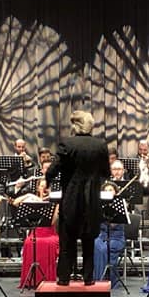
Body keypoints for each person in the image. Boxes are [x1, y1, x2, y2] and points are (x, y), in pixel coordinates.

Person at [46, 110, 110, 285]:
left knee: (67, 244)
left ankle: (64, 279)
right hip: (92, 202)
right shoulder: (100, 145)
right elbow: (106, 173)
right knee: (89, 244)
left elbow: (54, 169)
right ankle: (88, 279)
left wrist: (47, 180)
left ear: (75, 126)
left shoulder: (67, 144)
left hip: (71, 202)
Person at [13, 178, 59, 288]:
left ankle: (46, 279)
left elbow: (51, 222)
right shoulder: (32, 200)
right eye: (42, 186)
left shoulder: (55, 202)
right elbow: (15, 202)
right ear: (38, 188)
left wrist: (51, 204)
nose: (45, 189)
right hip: (35, 233)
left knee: (50, 243)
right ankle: (31, 280)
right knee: (29, 243)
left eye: (47, 187)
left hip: (49, 234)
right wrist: (29, 196)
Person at [93, 181, 127, 288]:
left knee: (104, 249)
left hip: (116, 238)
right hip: (102, 235)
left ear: (116, 193)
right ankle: (97, 279)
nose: (108, 192)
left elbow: (112, 225)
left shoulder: (121, 204)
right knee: (95, 245)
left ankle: (107, 280)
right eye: (105, 190)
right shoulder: (98, 205)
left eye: (110, 190)